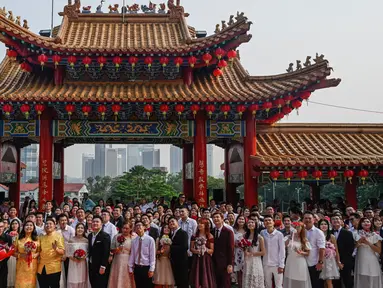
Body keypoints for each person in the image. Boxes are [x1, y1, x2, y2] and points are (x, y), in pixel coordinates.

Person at [353, 217, 382, 288]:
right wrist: (359, 241)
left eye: (368, 221)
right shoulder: (356, 233)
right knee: (362, 276)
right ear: (361, 223)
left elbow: (379, 250)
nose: (366, 223)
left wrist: (368, 243)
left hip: (372, 259)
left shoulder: (375, 235)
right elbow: (352, 247)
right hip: (361, 259)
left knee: (372, 275)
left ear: (371, 224)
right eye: (364, 222)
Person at [37, 217, 65, 288]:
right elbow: (38, 250)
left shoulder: (58, 236)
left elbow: (62, 251)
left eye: (50, 224)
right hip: (41, 266)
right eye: (46, 224)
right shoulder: (41, 237)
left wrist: (56, 249)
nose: (48, 225)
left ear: (54, 226)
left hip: (54, 267)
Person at [189, 218, 216, 288]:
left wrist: (205, 249)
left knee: (206, 276)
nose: (199, 225)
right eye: (198, 223)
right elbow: (191, 248)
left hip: (206, 259)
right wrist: (196, 251)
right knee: (196, 276)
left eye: (201, 223)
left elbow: (212, 250)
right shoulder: (194, 236)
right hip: (197, 258)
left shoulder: (210, 236)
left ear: (205, 225)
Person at [283, 221, 311, 288]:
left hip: (300, 261)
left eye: (298, 227)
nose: (296, 228)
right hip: (290, 261)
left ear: (301, 228)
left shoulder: (304, 239)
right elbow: (283, 246)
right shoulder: (288, 237)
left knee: (300, 279)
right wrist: (289, 237)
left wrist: (301, 252)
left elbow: (308, 253)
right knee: (290, 278)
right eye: (294, 227)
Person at [108, 221, 136, 288]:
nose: (125, 230)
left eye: (127, 228)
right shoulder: (116, 236)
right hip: (117, 260)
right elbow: (111, 249)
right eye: (123, 228)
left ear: (130, 229)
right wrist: (117, 249)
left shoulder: (133, 238)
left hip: (128, 260)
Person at [129, 221, 156, 288]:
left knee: (147, 285)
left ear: (144, 227)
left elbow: (152, 255)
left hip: (146, 267)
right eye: (136, 226)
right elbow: (132, 255)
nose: (138, 227)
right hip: (137, 267)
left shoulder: (150, 239)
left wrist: (151, 269)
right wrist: (130, 267)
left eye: (140, 225)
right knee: (138, 285)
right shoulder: (134, 241)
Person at [260, 215, 285, 288]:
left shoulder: (279, 234)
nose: (268, 222)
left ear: (273, 222)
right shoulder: (262, 233)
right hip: (266, 264)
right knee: (268, 285)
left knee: (279, 285)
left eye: (269, 220)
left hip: (277, 264)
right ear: (264, 223)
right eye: (266, 220)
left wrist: (281, 265)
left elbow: (282, 250)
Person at [14, 220, 40, 288]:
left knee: (31, 284)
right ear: (23, 227)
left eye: (31, 225)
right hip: (21, 265)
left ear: (34, 227)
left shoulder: (37, 239)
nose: (29, 227)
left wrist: (35, 255)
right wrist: (20, 255)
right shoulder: (18, 238)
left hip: (32, 265)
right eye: (27, 225)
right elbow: (13, 252)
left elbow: (40, 251)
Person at [212, 212, 234, 288]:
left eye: (217, 217)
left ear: (222, 219)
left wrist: (230, 264)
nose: (216, 219)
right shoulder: (211, 231)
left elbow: (230, 248)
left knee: (225, 284)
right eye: (214, 217)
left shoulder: (228, 232)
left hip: (225, 263)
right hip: (214, 262)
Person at [88, 215, 111, 288]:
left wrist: (103, 266)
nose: (95, 223)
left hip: (100, 266)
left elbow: (106, 252)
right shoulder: (90, 235)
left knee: (100, 284)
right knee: (93, 283)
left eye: (97, 222)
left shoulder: (105, 236)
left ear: (101, 224)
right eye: (93, 222)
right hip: (91, 265)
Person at [242, 218, 265, 288]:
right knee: (247, 280)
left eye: (252, 222)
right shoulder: (244, 236)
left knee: (256, 280)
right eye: (249, 223)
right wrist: (245, 250)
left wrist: (251, 254)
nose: (250, 224)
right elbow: (244, 248)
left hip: (256, 261)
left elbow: (263, 252)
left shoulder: (259, 237)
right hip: (247, 260)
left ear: (255, 224)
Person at [318, 219, 341, 287]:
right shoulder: (317, 235)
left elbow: (336, 250)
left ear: (328, 226)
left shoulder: (331, 236)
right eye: (321, 224)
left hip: (329, 261)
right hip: (320, 259)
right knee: (324, 281)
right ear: (319, 226)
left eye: (325, 224)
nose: (324, 226)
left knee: (329, 281)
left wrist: (338, 262)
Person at [66, 223, 90, 288]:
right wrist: (74, 259)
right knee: (73, 279)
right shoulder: (71, 240)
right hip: (73, 262)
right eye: (78, 228)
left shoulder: (86, 240)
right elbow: (67, 253)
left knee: (82, 279)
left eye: (82, 228)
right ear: (75, 229)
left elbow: (88, 252)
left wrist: (83, 257)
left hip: (83, 263)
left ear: (84, 230)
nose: (80, 229)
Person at [169, 216, 189, 288]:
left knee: (183, 281)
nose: (171, 223)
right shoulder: (171, 234)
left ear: (177, 222)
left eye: (172, 221)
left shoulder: (183, 233)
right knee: (177, 281)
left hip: (182, 261)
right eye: (170, 222)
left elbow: (184, 247)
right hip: (174, 261)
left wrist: (170, 247)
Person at [233, 215, 247, 288]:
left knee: (245, 270)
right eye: (239, 219)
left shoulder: (247, 230)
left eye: (242, 219)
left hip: (245, 252)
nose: (241, 220)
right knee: (238, 271)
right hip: (236, 252)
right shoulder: (233, 230)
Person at [7, 218, 20, 288]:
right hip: (9, 255)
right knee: (9, 271)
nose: (14, 225)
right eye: (13, 223)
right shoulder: (7, 235)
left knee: (16, 271)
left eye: (16, 223)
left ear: (19, 225)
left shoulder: (21, 235)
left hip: (18, 255)